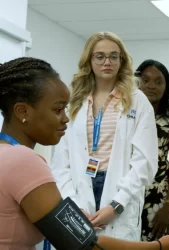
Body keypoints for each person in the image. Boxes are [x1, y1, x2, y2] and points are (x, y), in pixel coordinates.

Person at [0, 57, 169, 250]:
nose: (66, 119)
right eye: (58, 110)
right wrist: (159, 247)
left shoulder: (6, 153)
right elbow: (84, 245)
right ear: (23, 111)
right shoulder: (23, 161)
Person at [51, 31, 158, 240]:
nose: (106, 62)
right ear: (89, 61)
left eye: (113, 56)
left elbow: (144, 161)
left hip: (121, 188)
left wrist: (117, 204)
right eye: (99, 56)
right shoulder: (75, 102)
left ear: (121, 60)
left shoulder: (137, 100)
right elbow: (61, 162)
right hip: (80, 187)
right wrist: (72, 204)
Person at [136, 59, 169, 241]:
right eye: (145, 80)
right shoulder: (126, 112)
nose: (151, 86)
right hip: (126, 192)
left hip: (158, 199)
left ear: (166, 87)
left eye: (159, 81)